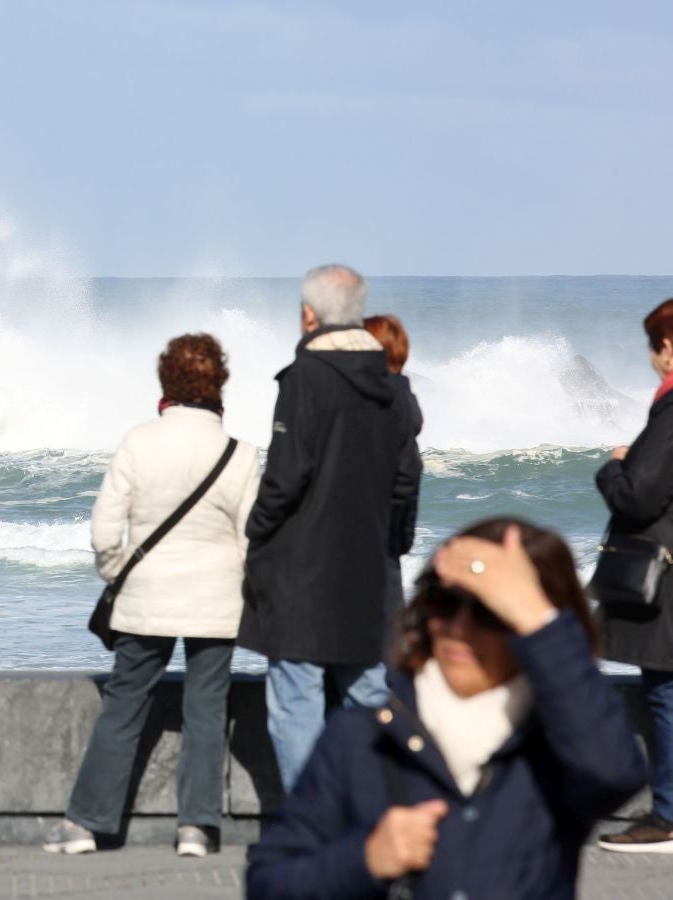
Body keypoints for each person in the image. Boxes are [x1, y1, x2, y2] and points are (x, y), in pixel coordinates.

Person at [247, 518, 647, 899]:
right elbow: (269, 882)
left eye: (489, 611)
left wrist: (536, 616)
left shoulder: (557, 748)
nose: (458, 627)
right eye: (445, 602)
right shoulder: (361, 738)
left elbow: (615, 773)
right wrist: (363, 859)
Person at [44, 334, 261, 857]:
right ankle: (196, 829)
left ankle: (87, 825)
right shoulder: (240, 452)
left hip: (147, 596)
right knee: (207, 708)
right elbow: (251, 540)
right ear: (219, 384)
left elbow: (104, 528)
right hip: (215, 600)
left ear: (166, 381)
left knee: (124, 703)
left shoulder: (140, 441)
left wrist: (118, 571)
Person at [239, 264, 414, 793]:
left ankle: (314, 827)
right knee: (366, 695)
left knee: (296, 702)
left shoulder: (305, 379)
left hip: (304, 575)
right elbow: (405, 483)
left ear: (309, 315)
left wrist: (256, 531)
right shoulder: (395, 389)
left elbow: (286, 476)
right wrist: (390, 545)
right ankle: (378, 814)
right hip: (366, 571)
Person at [595, 298, 673, 854]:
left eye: (652, 344)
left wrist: (615, 465)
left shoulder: (670, 411)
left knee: (666, 691)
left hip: (665, 579)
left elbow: (640, 495)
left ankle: (668, 818)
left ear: (667, 348)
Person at [364, 314, 424, 650]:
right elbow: (408, 480)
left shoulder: (360, 407)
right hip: (386, 553)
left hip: (349, 556)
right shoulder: (406, 409)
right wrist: (398, 542)